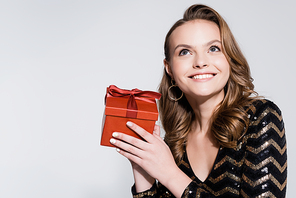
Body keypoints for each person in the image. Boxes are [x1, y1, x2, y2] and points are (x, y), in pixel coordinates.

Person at [109, 4, 287, 198]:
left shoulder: (260, 117)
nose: (200, 62)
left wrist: (170, 174)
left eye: (213, 48)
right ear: (169, 68)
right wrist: (142, 168)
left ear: (229, 57)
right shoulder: (175, 142)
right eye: (185, 52)